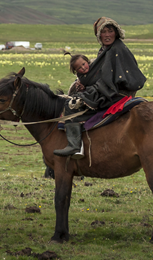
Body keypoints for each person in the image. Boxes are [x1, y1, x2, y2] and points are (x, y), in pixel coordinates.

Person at [54, 17, 147, 159]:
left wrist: (90, 89)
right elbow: (101, 75)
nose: (107, 35)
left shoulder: (117, 49)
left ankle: (75, 146)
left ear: (116, 32)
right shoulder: (106, 50)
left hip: (115, 94)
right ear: (99, 35)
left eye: (110, 31)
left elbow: (110, 80)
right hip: (107, 90)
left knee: (72, 105)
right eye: (103, 32)